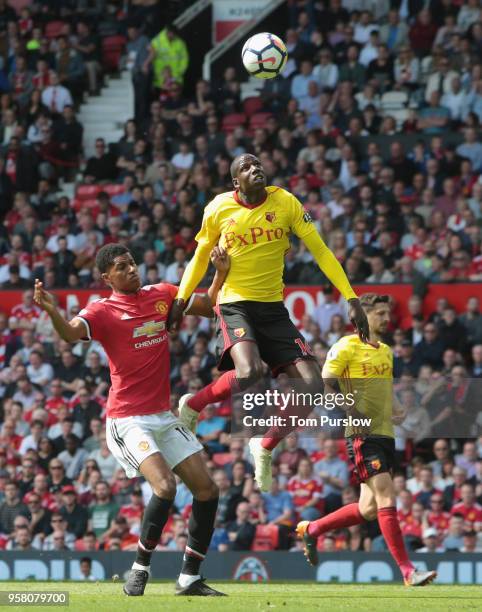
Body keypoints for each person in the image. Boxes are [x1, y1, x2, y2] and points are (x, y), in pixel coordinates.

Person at [34, 243, 230, 597]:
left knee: (207, 489)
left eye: (132, 264)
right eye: (121, 267)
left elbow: (208, 305)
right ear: (106, 277)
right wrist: (52, 311)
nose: (131, 270)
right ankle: (139, 569)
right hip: (127, 419)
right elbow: (69, 333)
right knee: (166, 487)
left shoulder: (163, 294)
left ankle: (189, 578)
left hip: (161, 415)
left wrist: (220, 272)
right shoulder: (102, 311)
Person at [168, 153, 369, 491]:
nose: (255, 169)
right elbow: (200, 256)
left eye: (257, 164)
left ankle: (264, 445)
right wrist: (180, 299)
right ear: (236, 182)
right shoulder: (219, 208)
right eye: (246, 168)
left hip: (273, 308)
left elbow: (320, 251)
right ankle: (194, 403)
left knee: (313, 385)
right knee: (249, 372)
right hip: (234, 302)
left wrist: (351, 298)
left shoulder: (286, 202)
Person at [296, 293, 437, 587]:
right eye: (381, 314)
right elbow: (325, 384)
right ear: (364, 316)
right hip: (362, 434)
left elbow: (386, 390)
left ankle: (312, 529)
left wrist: (397, 407)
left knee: (369, 509)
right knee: (388, 496)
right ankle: (408, 570)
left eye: (388, 313)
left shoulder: (386, 351)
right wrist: (347, 404)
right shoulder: (346, 345)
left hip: (386, 434)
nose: (387, 319)